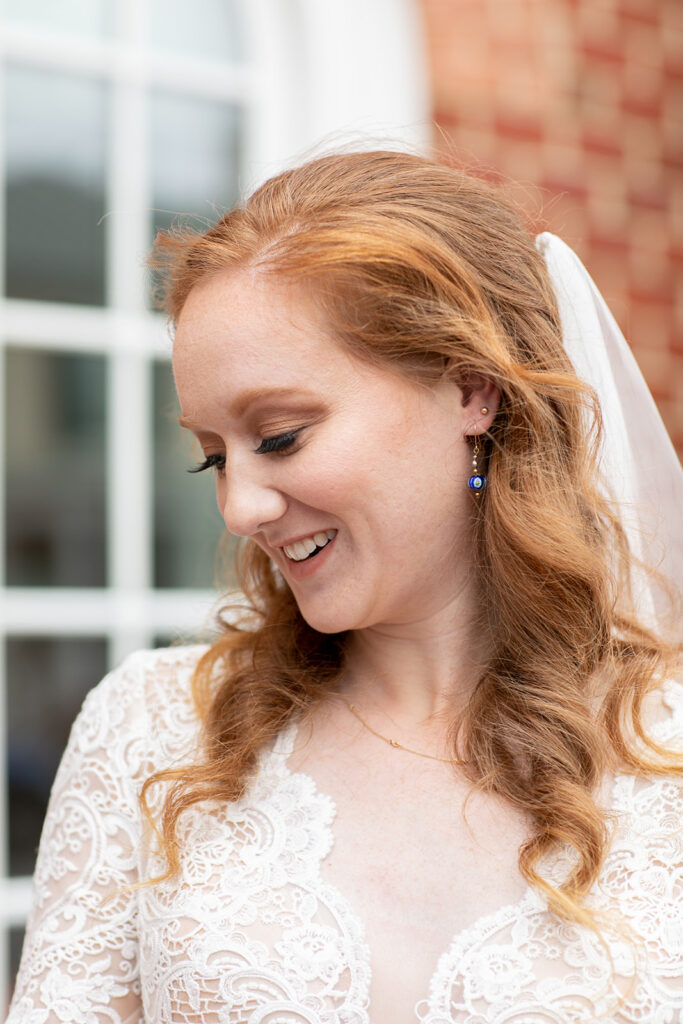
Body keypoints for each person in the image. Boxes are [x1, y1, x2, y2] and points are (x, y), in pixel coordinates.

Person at [6, 150, 683, 1024]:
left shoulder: (663, 739)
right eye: (213, 456)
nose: (239, 505)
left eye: (280, 436)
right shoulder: (152, 731)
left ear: (470, 390)